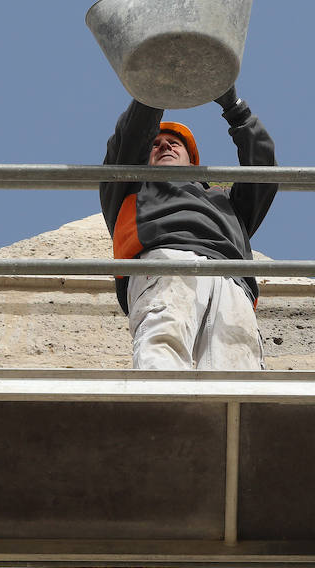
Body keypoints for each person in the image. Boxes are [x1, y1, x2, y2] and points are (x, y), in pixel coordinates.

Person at [100, 87, 277, 369]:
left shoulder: (224, 201)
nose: (165, 146)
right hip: (167, 261)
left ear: (192, 160)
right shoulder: (128, 188)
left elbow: (264, 170)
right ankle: (164, 410)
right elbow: (130, 135)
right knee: (165, 341)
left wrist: (234, 107)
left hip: (231, 277)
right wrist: (155, 89)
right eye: (155, 144)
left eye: (174, 143)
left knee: (237, 365)